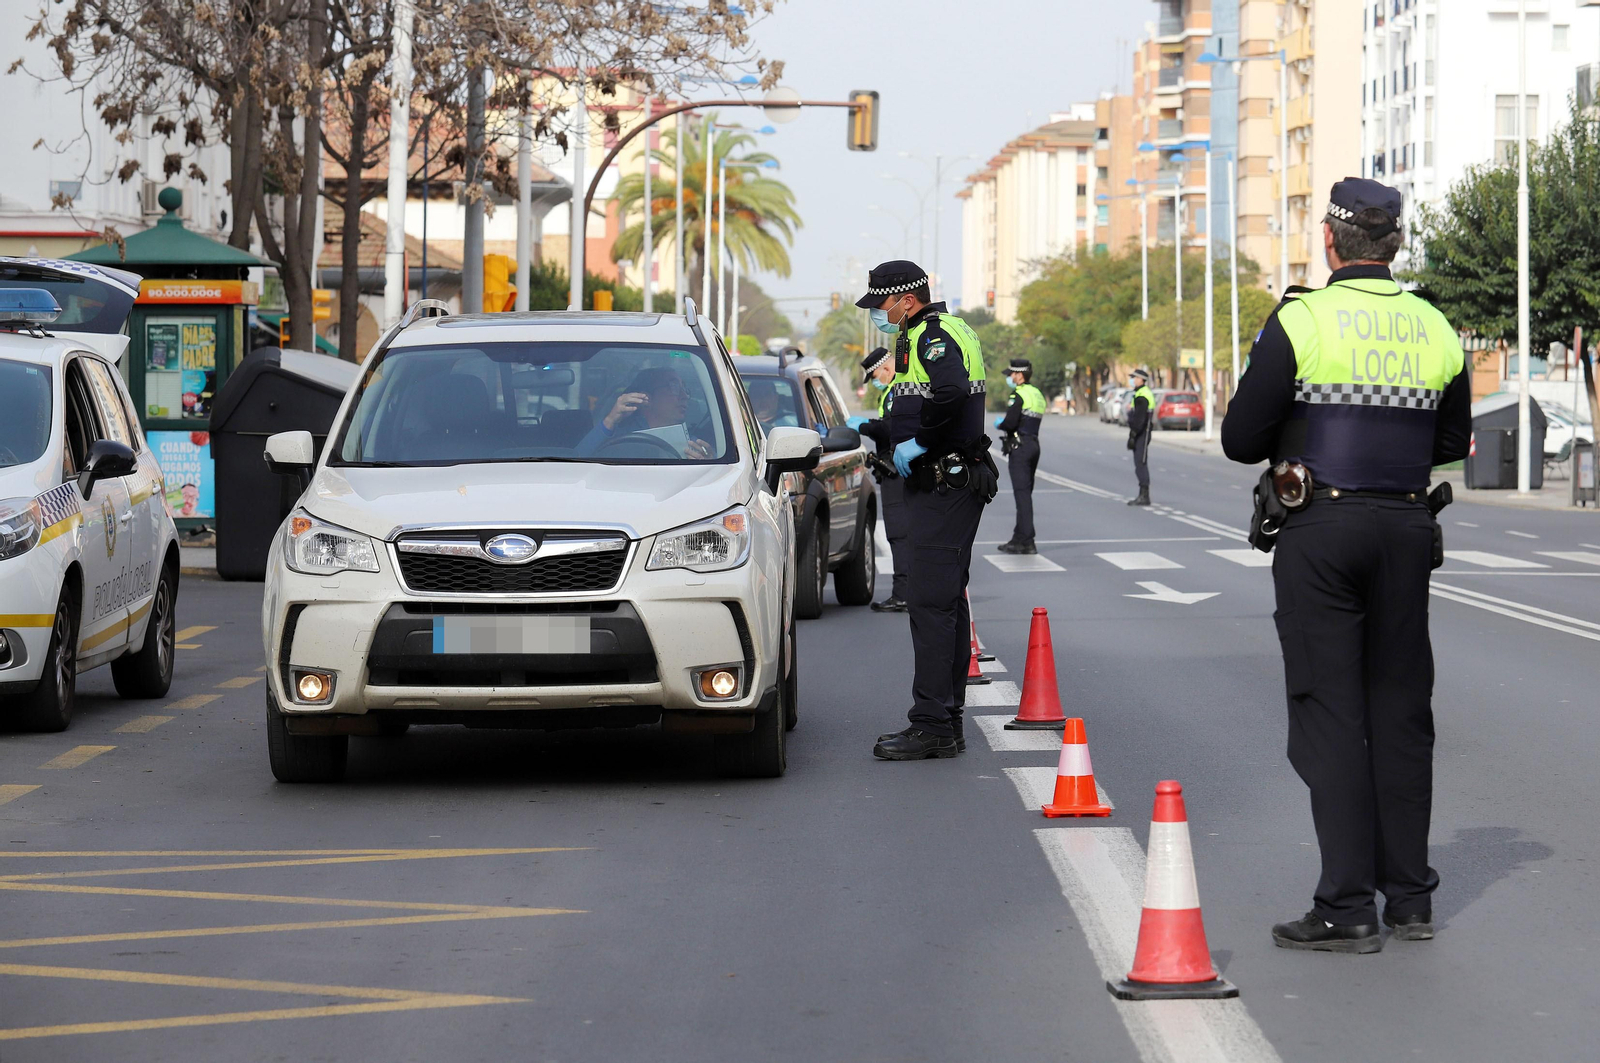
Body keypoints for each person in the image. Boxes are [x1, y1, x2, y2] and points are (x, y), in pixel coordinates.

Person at [1221, 177, 1471, 953]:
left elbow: (1239, 437)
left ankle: (1346, 906)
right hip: (1405, 526)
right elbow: (1449, 442)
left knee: (1331, 713)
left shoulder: (1302, 318)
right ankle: (1411, 899)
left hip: (1322, 528)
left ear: (1329, 241)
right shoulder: (1435, 324)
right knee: (1401, 712)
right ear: (1393, 243)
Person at [856, 261, 994, 761]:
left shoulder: (932, 335)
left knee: (930, 604)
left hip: (943, 482)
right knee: (945, 599)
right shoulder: (935, 331)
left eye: (882, 305)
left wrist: (921, 441)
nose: (878, 313)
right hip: (945, 480)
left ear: (906, 300)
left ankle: (932, 724)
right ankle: (947, 721)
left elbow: (950, 391)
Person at [848, 347, 909, 611]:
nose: (875, 381)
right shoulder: (896, 389)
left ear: (886, 368)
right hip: (900, 467)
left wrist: (863, 427)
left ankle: (903, 593)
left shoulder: (896, 390)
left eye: (874, 376)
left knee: (898, 532)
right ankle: (909, 591)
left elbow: (891, 428)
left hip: (896, 470)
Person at [579, 367, 712, 459]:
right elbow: (578, 460)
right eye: (674, 387)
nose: (685, 396)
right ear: (645, 398)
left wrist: (709, 462)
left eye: (685, 389)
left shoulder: (693, 445)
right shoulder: (617, 438)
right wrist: (610, 420)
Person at [994, 358, 1046, 554]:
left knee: (1022, 496)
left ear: (1019, 374)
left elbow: (1010, 423)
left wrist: (1000, 424)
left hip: (1020, 447)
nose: (1010, 377)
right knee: (1025, 494)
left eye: (1011, 374)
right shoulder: (1037, 394)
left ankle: (1027, 541)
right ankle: (1019, 537)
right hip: (1033, 445)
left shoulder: (1018, 394)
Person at [1125, 367, 1155, 506]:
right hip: (1141, 432)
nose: (1133, 380)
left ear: (1141, 380)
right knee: (1139, 463)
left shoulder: (1143, 395)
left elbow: (1140, 419)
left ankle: (1144, 495)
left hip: (1142, 433)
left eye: (1135, 378)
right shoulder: (1139, 393)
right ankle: (1143, 494)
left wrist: (1133, 434)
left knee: (1140, 463)